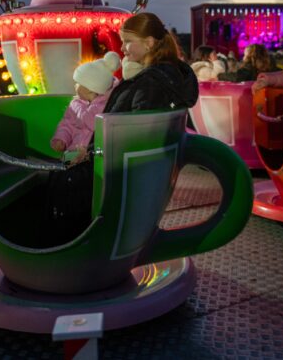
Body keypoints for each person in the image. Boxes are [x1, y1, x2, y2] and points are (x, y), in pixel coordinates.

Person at [43, 12, 199, 245]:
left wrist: (92, 150)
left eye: (128, 41)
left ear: (148, 43)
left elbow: (135, 130)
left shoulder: (150, 82)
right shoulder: (162, 76)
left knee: (62, 183)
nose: (122, 48)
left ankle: (69, 246)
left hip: (119, 170)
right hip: (124, 163)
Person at [50, 51, 121, 163]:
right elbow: (67, 124)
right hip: (73, 151)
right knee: (59, 169)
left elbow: (94, 124)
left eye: (78, 83)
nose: (75, 86)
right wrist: (61, 138)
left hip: (94, 156)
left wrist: (82, 111)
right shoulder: (76, 103)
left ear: (89, 88)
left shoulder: (106, 105)